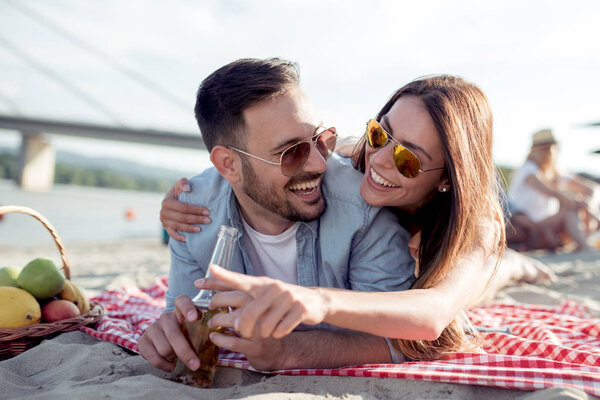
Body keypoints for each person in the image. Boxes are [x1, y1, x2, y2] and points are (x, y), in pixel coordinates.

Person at [161, 74, 556, 362]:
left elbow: (434, 314)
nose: (380, 160)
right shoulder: (355, 160)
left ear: (448, 179)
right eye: (381, 135)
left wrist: (317, 302)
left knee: (480, 285)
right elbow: (263, 158)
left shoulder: (476, 226)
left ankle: (517, 264)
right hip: (392, 246)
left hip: (445, 250)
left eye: (408, 159)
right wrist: (199, 192)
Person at [138, 58, 417, 372]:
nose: (318, 164)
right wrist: (170, 332)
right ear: (229, 165)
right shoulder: (191, 213)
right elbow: (186, 319)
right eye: (292, 152)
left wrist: (289, 352)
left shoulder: (364, 209)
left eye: (321, 140)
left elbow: (403, 341)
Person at [507, 129, 599, 252]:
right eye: (544, 149)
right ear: (535, 151)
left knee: (578, 207)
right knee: (570, 210)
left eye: (550, 148)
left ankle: (584, 244)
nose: (548, 153)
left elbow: (592, 188)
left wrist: (588, 204)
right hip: (529, 226)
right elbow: (552, 192)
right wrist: (575, 203)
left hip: (549, 224)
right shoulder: (528, 170)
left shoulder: (556, 171)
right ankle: (585, 247)